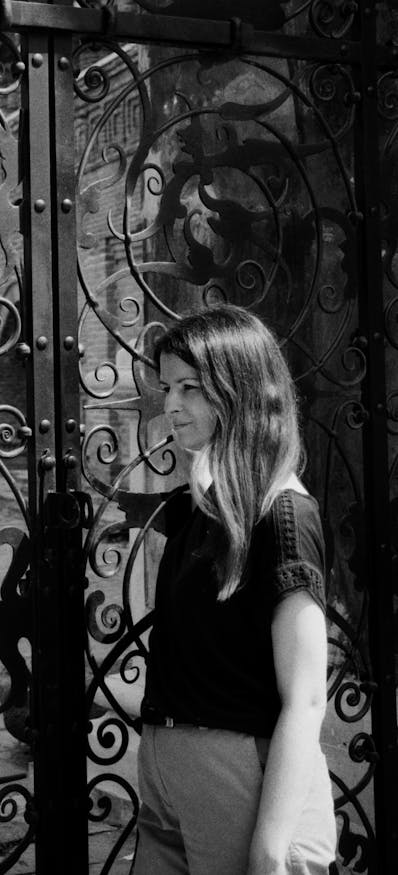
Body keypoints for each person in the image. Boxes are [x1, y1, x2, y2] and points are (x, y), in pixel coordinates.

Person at [132, 305, 337, 875]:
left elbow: (306, 696)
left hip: (238, 778)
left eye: (191, 388)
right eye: (168, 387)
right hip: (166, 777)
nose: (172, 405)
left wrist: (271, 847)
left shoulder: (283, 514)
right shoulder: (199, 510)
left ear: (238, 391)